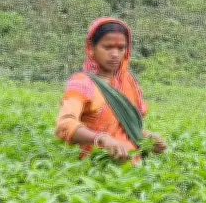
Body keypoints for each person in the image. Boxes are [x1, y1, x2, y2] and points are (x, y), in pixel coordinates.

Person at [55, 17, 167, 164]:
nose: (115, 54)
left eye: (121, 48)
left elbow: (124, 129)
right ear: (91, 48)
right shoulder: (82, 83)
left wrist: (148, 138)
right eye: (107, 47)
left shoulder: (128, 82)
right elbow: (64, 125)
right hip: (97, 167)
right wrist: (102, 139)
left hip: (136, 169)